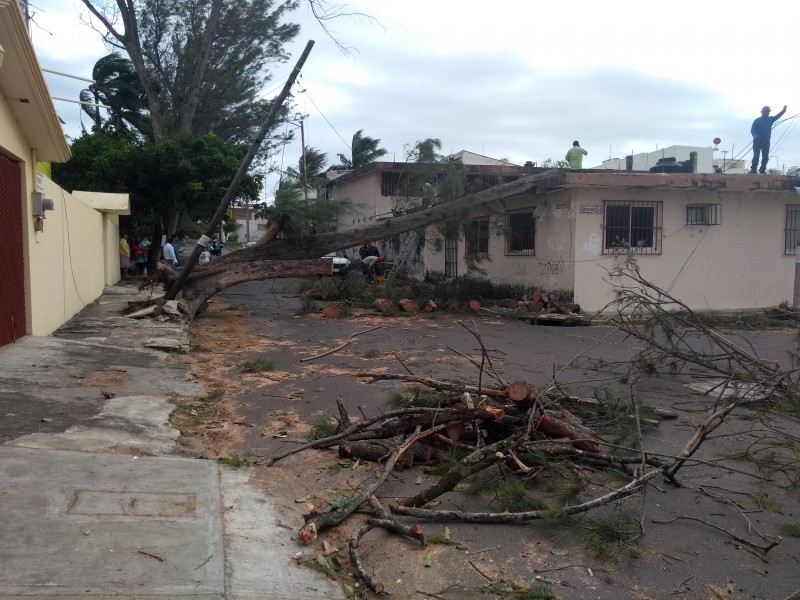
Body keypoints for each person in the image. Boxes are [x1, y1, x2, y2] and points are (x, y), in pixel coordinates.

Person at [750, 105, 787, 173]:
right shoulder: (757, 120)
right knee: (756, 155)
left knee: (766, 157)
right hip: (757, 141)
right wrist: (754, 135)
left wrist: (784, 110)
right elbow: (753, 129)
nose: (768, 113)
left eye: (768, 112)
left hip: (766, 141)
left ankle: (762, 170)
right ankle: (753, 170)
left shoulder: (770, 119)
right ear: (763, 112)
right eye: (766, 112)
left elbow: (778, 116)